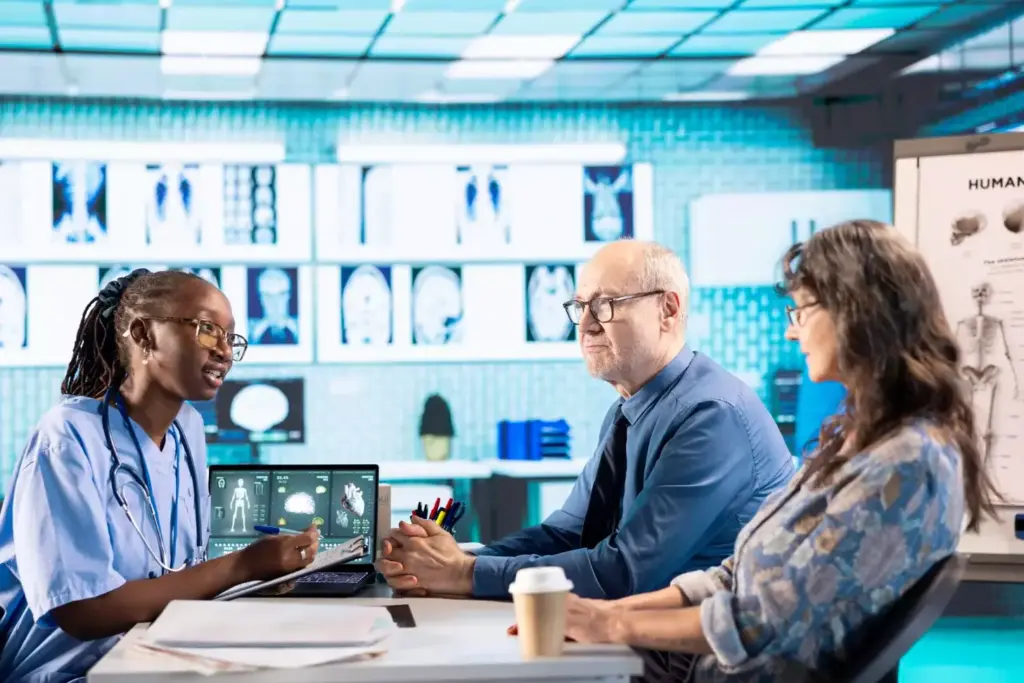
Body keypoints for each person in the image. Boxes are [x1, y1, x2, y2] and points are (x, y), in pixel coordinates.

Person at [548, 220, 998, 682]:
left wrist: (611, 622)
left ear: (858, 312)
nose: (791, 332)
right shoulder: (860, 439)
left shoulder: (907, 464)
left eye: (801, 311)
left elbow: (760, 621)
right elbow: (734, 576)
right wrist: (609, 612)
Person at [377, 240, 795, 600]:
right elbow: (566, 534)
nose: (587, 324)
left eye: (605, 304)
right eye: (580, 307)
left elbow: (624, 571)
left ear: (667, 309)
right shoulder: (629, 410)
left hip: (701, 655)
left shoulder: (711, 415)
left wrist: (462, 574)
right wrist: (454, 558)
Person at [0, 269, 320, 683]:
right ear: (143, 334)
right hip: (74, 674)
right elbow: (84, 610)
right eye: (208, 330)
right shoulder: (66, 438)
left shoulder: (186, 430)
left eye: (231, 338)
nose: (224, 351)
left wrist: (256, 577)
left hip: (158, 659)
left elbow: (176, 572)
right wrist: (241, 566)